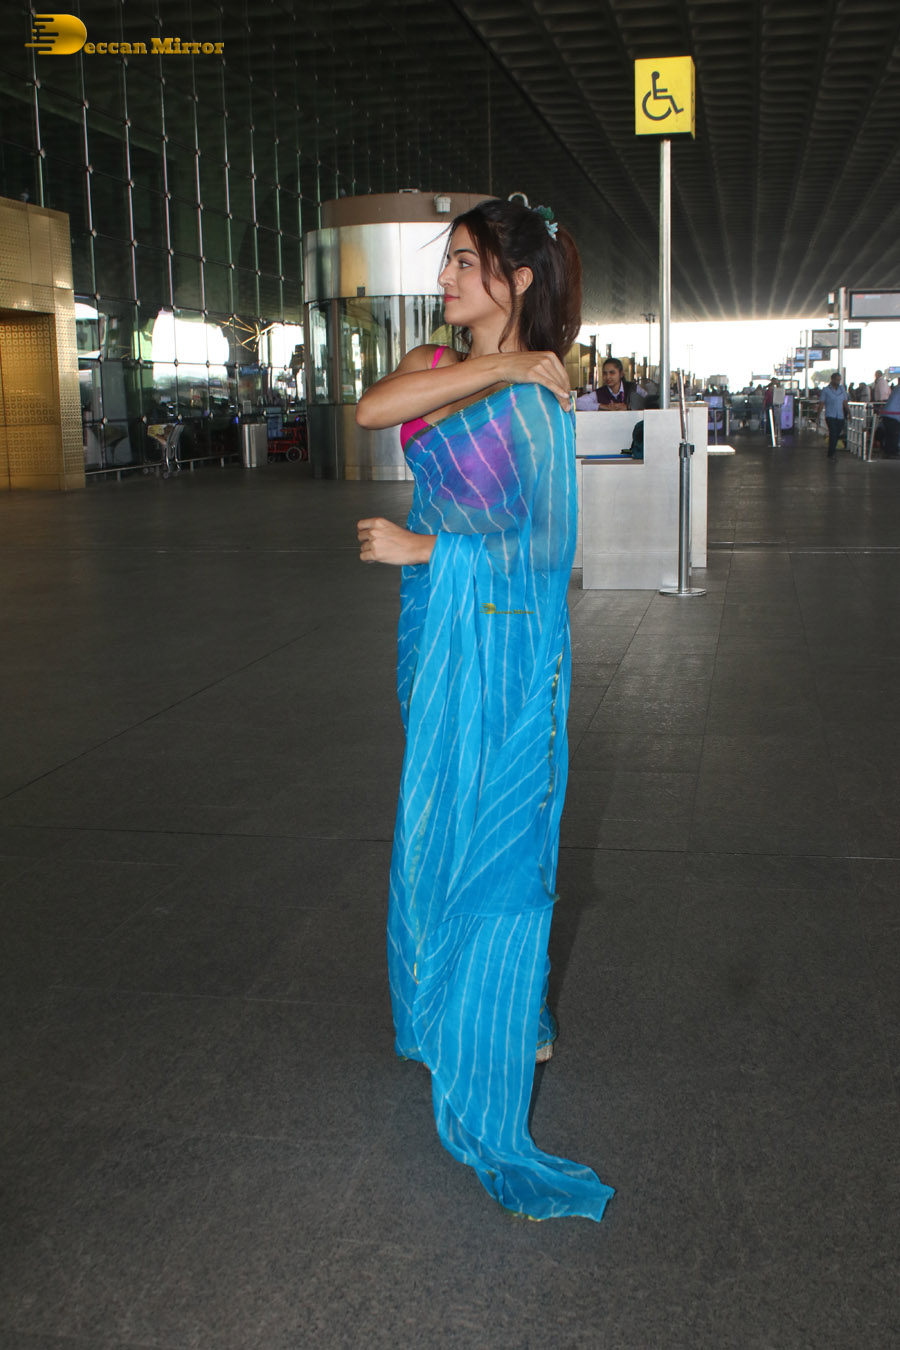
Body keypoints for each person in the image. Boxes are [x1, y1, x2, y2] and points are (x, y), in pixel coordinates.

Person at [354, 197, 614, 1223]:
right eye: (450, 261)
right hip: (436, 633)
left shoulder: (544, 408)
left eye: (468, 262)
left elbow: (548, 550)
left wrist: (427, 548)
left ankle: (509, 1009)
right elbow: (375, 411)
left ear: (518, 278)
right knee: (436, 812)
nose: (448, 278)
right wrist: (506, 364)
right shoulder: (444, 365)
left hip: (505, 637)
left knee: (502, 823)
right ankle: (436, 1002)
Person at [575, 355, 644, 410]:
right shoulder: (599, 393)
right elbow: (576, 403)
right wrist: (602, 406)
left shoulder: (633, 388)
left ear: (621, 374)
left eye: (612, 373)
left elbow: (648, 402)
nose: (608, 377)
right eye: (605, 373)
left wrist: (628, 406)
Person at [821, 371, 849, 458]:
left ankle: (832, 450)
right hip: (830, 415)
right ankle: (831, 453)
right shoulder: (826, 390)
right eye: (837, 380)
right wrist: (818, 415)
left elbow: (845, 402)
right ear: (832, 379)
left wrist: (849, 413)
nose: (838, 382)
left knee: (836, 434)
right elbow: (822, 403)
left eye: (839, 380)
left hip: (840, 416)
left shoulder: (842, 390)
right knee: (833, 433)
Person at [879, 380, 900, 457]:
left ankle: (888, 452)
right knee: (893, 435)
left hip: (888, 414)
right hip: (893, 415)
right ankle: (892, 453)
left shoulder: (897, 388)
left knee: (890, 435)